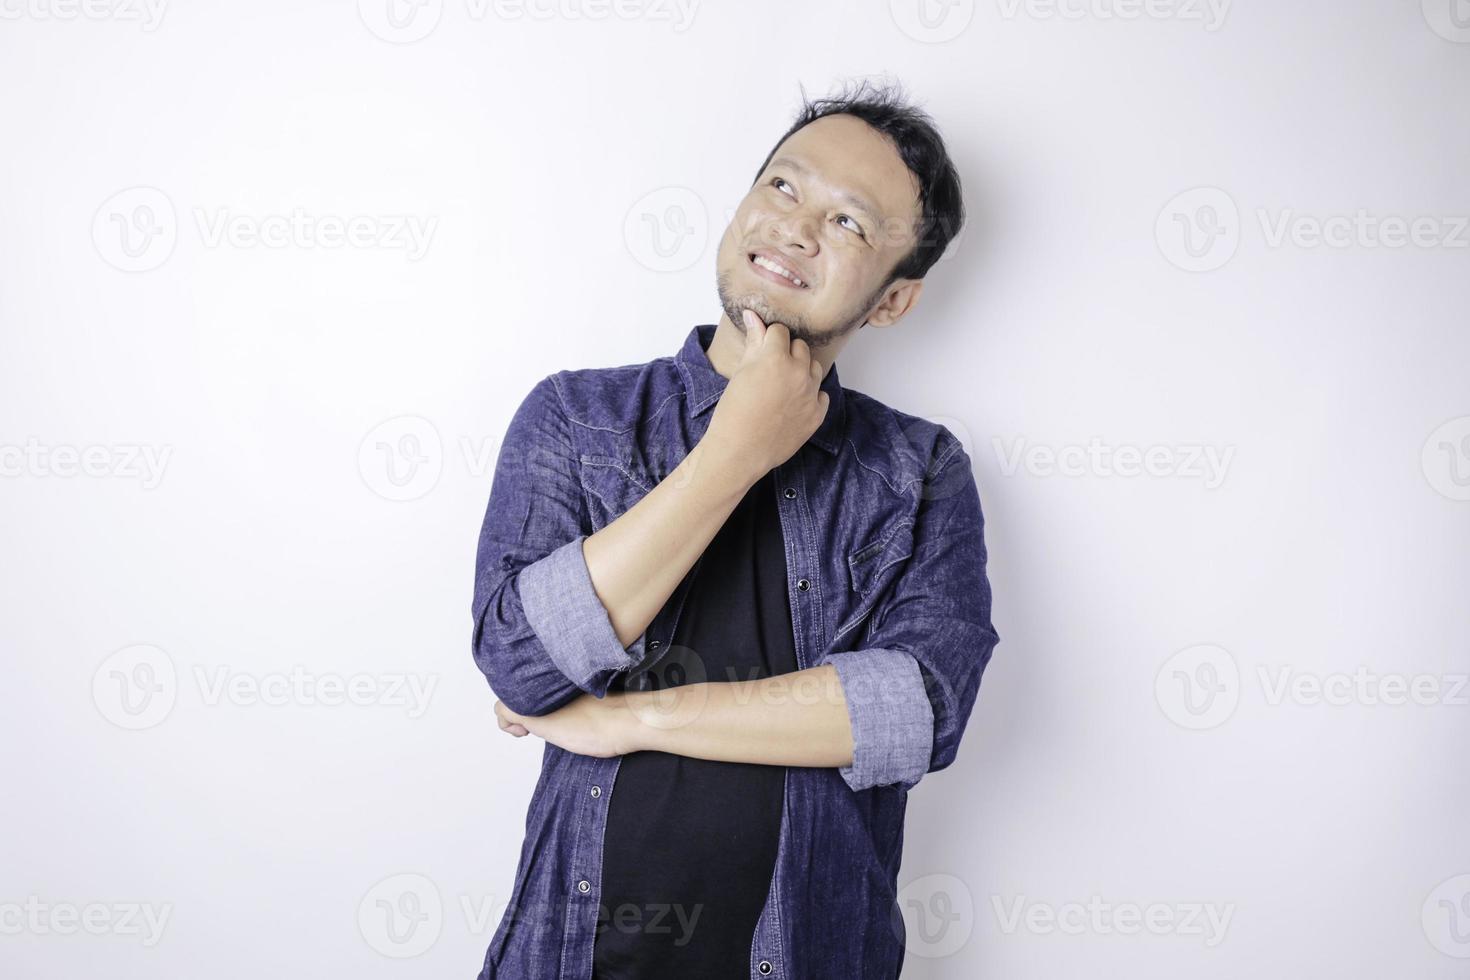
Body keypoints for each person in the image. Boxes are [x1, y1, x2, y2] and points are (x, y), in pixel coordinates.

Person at [471, 77, 999, 980]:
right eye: (784, 187)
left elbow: (913, 713)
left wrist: (630, 717)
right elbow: (519, 661)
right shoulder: (577, 418)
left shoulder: (919, 470)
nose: (796, 226)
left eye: (849, 223)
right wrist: (734, 450)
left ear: (892, 301)